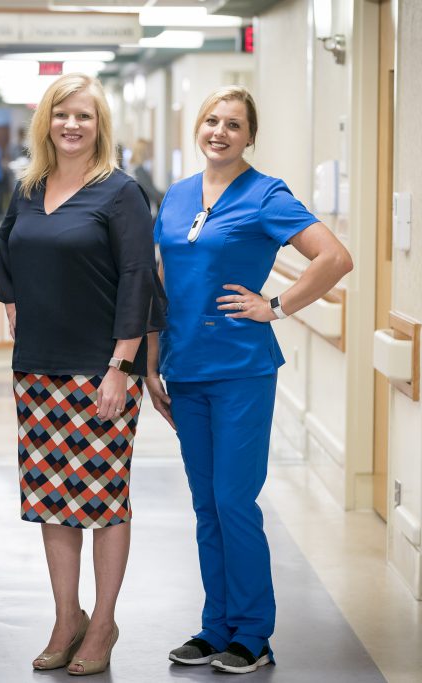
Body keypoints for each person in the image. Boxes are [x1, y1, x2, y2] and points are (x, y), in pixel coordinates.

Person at [147, 86, 352, 675]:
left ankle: (253, 634)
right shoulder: (178, 196)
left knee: (235, 501)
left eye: (233, 124)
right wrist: (153, 360)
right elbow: (162, 279)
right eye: (212, 120)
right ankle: (216, 628)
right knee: (206, 505)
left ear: (249, 137)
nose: (220, 132)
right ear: (198, 127)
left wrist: (277, 306)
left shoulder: (267, 195)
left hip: (240, 370)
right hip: (184, 369)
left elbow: (334, 258)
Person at [0, 73, 164, 676]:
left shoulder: (120, 192)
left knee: (105, 498)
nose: (72, 125)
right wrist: (13, 299)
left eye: (84, 116)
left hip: (101, 369)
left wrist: (122, 366)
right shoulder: (29, 188)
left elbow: (139, 279)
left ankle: (104, 622)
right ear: (46, 122)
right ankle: (68, 617)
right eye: (61, 115)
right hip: (37, 368)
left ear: (99, 125)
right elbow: (6, 251)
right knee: (51, 499)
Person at [129, 138, 165, 215]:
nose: (150, 152)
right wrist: (169, 193)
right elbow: (151, 190)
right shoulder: (138, 170)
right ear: (143, 152)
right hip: (144, 211)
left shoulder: (132, 168)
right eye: (148, 150)